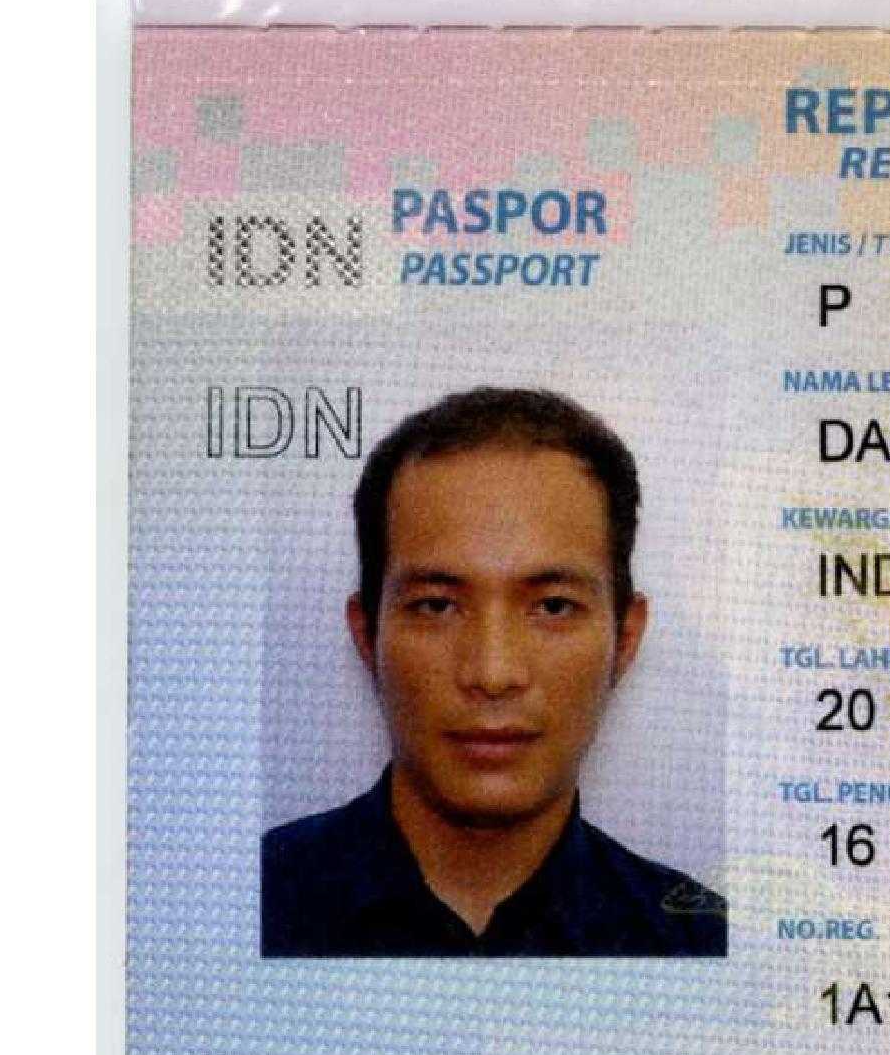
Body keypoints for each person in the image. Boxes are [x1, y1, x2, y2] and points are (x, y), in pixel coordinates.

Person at [261, 387, 725, 958]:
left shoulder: (701, 940)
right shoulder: (237, 905)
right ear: (367, 636)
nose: (493, 673)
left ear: (625, 639)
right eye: (436, 605)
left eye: (553, 606)